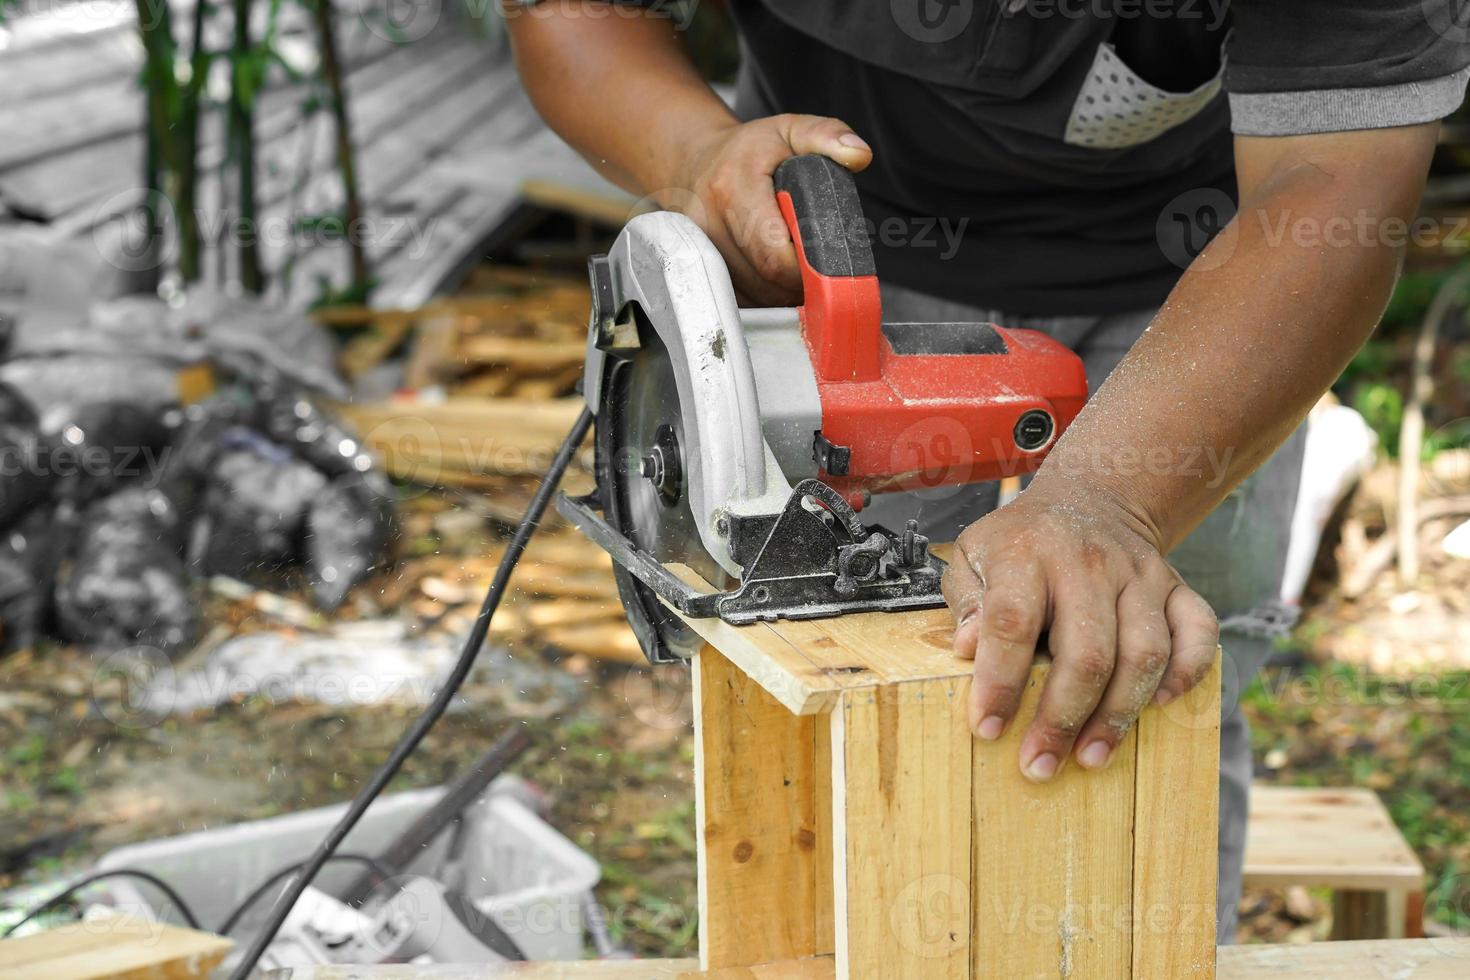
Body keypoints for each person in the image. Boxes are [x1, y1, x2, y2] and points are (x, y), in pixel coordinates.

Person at [505, 0, 1468, 938]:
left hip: (1213, 275)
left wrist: (1110, 499)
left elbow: (1337, 178)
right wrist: (694, 153)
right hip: (833, 251)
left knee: (1146, 673)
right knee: (834, 688)